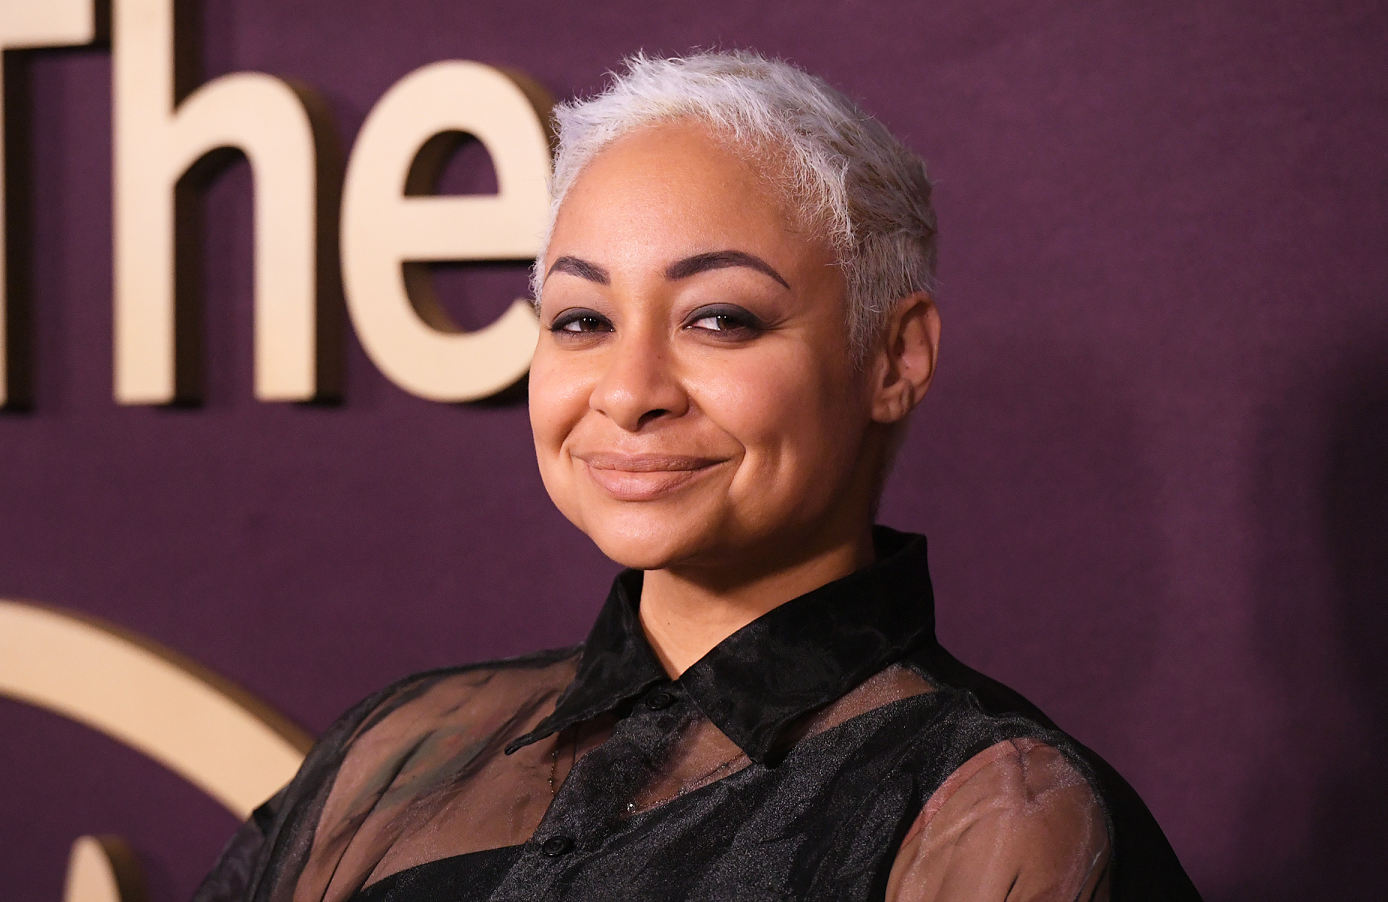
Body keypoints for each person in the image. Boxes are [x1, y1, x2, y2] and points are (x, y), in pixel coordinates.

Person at [195, 51, 1199, 901]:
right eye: (581, 319)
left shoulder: (993, 806)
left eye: (720, 318)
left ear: (895, 357)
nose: (630, 391)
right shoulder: (390, 752)